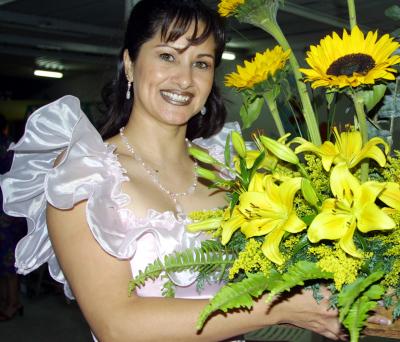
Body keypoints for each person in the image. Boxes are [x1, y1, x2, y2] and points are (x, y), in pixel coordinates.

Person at [0, 0, 388, 340]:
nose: (184, 79)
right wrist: (277, 309)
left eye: (200, 63)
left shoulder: (231, 168)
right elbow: (116, 325)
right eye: (167, 56)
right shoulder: (83, 176)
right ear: (130, 64)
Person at [0, 114, 25, 320]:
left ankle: (13, 303)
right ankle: (10, 300)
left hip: (7, 212)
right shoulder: (12, 146)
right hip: (12, 210)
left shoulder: (8, 147)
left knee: (9, 263)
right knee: (8, 262)